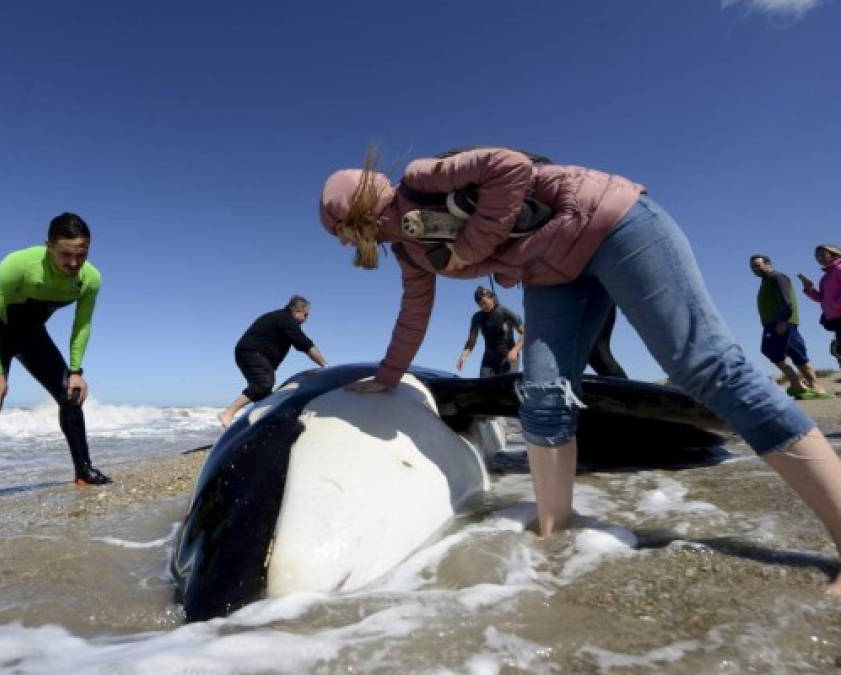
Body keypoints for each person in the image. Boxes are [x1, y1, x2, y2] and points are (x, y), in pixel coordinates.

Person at [319, 147, 841, 594]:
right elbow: (414, 314)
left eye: (340, 228)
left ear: (353, 211)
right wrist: (388, 377)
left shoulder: (420, 178)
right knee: (542, 394)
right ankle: (556, 533)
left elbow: (509, 167)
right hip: (551, 273)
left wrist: (468, 249)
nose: (345, 241)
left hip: (612, 222)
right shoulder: (409, 252)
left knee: (704, 367)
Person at [0, 213, 111, 524]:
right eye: (66, 254)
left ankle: (83, 470)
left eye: (81, 254)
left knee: (71, 394)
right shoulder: (18, 265)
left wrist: (77, 370)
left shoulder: (90, 279)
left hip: (32, 337)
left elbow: (82, 324)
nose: (74, 263)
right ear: (48, 245)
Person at [218, 295, 328, 428]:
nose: (306, 319)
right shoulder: (285, 320)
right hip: (251, 352)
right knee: (264, 383)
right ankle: (228, 413)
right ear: (298, 311)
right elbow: (306, 345)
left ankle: (252, 428)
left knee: (264, 397)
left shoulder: (282, 318)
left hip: (250, 353)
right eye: (306, 315)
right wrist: (324, 365)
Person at [749, 254, 830, 399]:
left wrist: (783, 320)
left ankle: (799, 384)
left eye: (757, 265)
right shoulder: (766, 280)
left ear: (768, 264)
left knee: (770, 350)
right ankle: (811, 386)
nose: (755, 269)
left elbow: (787, 300)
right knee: (796, 354)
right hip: (778, 322)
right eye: (752, 267)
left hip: (780, 322)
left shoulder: (777, 277)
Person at [457, 286, 525, 376]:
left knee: (505, 386)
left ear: (492, 298)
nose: (482, 306)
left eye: (484, 303)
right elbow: (471, 341)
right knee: (484, 387)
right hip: (489, 359)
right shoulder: (477, 318)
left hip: (508, 356)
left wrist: (515, 350)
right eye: (479, 304)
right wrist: (464, 355)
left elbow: (525, 333)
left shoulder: (505, 312)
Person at [800, 244, 841, 369]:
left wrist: (834, 305)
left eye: (822, 255)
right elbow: (821, 298)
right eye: (817, 256)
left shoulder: (839, 269)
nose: (819, 258)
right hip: (836, 320)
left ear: (834, 254)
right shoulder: (825, 277)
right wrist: (809, 288)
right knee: (838, 351)